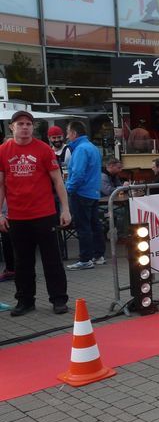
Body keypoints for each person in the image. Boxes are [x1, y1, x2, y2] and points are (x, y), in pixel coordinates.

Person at [0, 110, 71, 315]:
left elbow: (58, 181)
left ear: (33, 127)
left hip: (44, 214)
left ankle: (58, 299)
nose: (25, 127)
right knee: (22, 262)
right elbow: (1, 185)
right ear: (12, 127)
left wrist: (65, 209)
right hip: (17, 216)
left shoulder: (44, 149)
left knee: (52, 260)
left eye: (28, 124)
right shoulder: (3, 151)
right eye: (20, 124)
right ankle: (25, 301)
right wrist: (0, 214)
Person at [65, 120, 105, 270]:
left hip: (81, 192)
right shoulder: (92, 147)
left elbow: (78, 174)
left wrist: (69, 188)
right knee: (94, 225)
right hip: (93, 192)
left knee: (83, 227)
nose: (67, 136)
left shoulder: (80, 149)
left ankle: (85, 259)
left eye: (68, 133)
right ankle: (98, 255)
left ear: (74, 133)